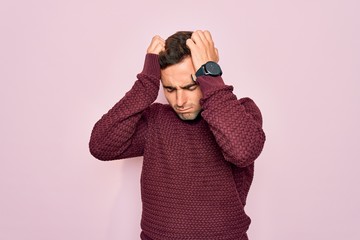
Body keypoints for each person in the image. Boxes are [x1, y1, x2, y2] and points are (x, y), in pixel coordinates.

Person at [89, 30, 266, 240]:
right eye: (170, 89)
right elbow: (100, 146)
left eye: (191, 86)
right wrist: (146, 83)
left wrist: (210, 75)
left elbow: (243, 152)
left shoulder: (242, 111)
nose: (180, 101)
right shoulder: (154, 120)